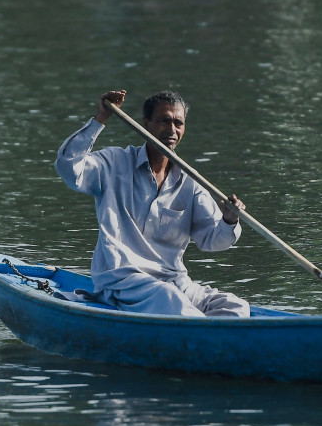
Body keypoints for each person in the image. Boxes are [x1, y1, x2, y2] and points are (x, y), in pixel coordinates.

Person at [54, 89, 251, 317]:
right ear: (146, 124)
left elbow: (214, 241)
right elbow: (68, 166)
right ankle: (199, 338)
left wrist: (229, 219)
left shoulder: (191, 182)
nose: (172, 130)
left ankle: (217, 346)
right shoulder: (114, 164)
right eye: (164, 121)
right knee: (172, 302)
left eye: (179, 123)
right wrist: (100, 120)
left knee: (236, 307)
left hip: (174, 280)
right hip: (123, 281)